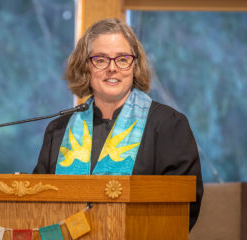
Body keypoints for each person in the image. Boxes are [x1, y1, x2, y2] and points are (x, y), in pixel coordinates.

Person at [33, 18, 203, 230]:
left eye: (122, 59)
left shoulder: (168, 125)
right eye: (101, 59)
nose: (112, 68)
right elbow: (37, 206)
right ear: (86, 66)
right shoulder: (58, 130)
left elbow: (184, 208)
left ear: (135, 65)